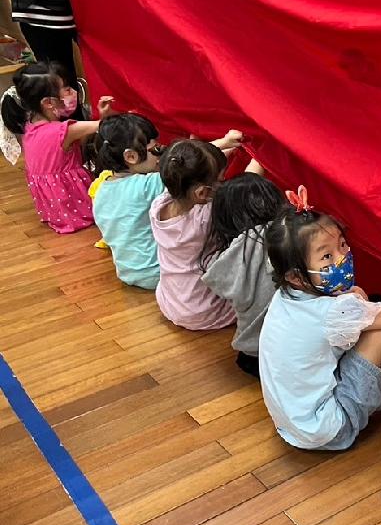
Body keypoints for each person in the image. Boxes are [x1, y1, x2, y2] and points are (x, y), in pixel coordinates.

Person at [258, 185, 381, 450]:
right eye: (326, 256)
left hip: (291, 423)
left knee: (366, 326)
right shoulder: (332, 312)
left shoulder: (286, 297)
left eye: (342, 244)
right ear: (297, 276)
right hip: (329, 428)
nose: (342, 256)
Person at [0, 61, 111, 233]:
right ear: (48, 103)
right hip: (77, 203)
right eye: (66, 89)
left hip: (54, 210)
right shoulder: (63, 130)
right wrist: (104, 115)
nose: (72, 91)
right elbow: (104, 126)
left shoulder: (30, 127)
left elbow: (70, 149)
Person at [151, 137, 244, 330]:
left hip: (171, 303)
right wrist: (259, 161)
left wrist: (225, 144)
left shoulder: (159, 205)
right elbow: (241, 193)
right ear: (202, 193)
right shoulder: (206, 216)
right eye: (220, 180)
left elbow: (185, 168)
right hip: (204, 311)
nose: (222, 182)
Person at [201, 171, 285, 377]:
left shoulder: (229, 255)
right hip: (288, 353)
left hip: (250, 356)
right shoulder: (287, 236)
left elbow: (218, 282)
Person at [89, 113, 166, 288]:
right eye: (155, 150)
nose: (159, 156)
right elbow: (189, 165)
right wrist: (225, 141)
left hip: (126, 272)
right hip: (158, 273)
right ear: (131, 156)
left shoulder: (100, 188)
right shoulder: (147, 184)